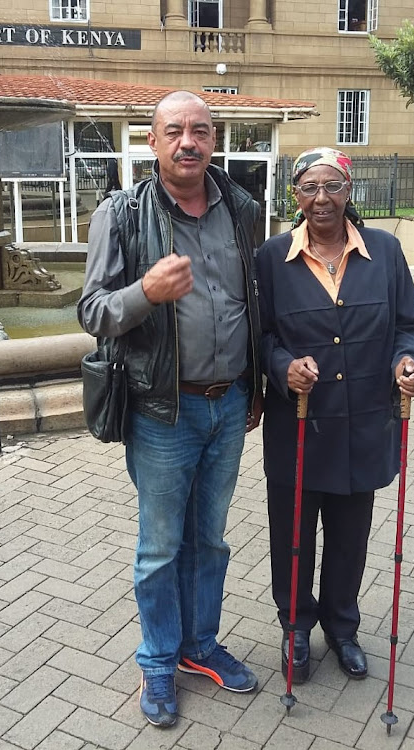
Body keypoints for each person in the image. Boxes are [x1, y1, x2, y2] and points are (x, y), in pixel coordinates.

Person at [78, 90, 263, 727]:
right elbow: (93, 311)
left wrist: (257, 383)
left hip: (229, 402)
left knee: (209, 542)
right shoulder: (122, 213)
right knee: (161, 546)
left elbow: (254, 301)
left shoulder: (242, 207)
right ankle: (157, 661)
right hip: (164, 412)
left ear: (215, 140)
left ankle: (199, 645)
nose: (189, 141)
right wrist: (145, 293)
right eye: (175, 130)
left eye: (201, 130)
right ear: (152, 141)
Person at [255, 147, 414, 684]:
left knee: (351, 537)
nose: (321, 198)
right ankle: (296, 627)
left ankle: (342, 627)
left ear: (349, 191)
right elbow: (259, 336)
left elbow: (407, 325)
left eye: (332, 186)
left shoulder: (386, 251)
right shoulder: (271, 258)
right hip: (300, 425)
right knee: (293, 536)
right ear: (296, 196)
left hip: (364, 424)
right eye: (309, 188)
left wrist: (407, 361)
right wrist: (282, 367)